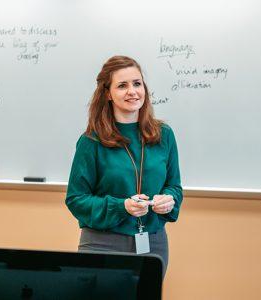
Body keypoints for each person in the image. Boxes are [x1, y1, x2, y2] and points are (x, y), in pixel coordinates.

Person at [66, 55, 182, 274]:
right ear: (108, 93)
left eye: (137, 83)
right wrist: (122, 207)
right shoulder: (91, 141)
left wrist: (169, 200)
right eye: (122, 85)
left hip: (153, 245)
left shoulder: (164, 135)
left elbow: (174, 186)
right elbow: (76, 198)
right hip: (103, 245)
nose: (132, 91)